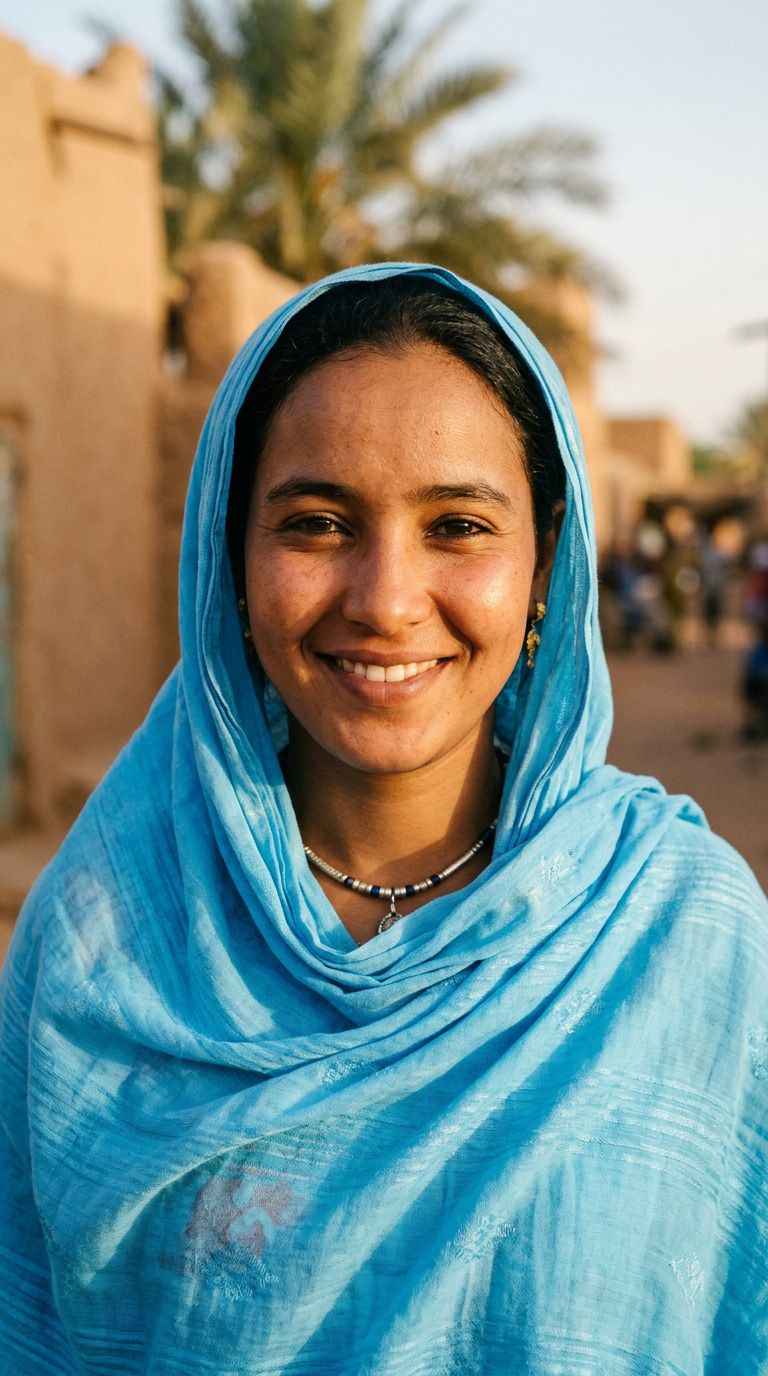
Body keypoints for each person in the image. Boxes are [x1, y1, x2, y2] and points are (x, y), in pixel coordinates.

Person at [1, 265, 766, 1375]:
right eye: (316, 523)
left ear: (545, 559)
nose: (385, 597)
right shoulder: (100, 937)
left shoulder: (682, 936)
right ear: (230, 552)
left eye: (457, 525)